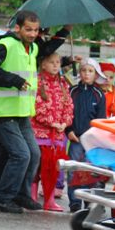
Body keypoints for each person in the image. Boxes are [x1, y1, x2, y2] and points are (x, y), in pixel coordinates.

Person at [0, 10, 44, 214]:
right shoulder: (6, 45)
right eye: (28, 29)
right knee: (21, 155)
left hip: (21, 111)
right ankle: (0, 198)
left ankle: (20, 194)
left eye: (36, 30)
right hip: (1, 112)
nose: (33, 34)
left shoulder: (33, 48)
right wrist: (14, 80)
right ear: (18, 28)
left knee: (34, 154)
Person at [32, 52, 73, 211]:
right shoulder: (37, 82)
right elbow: (37, 106)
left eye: (58, 62)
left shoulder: (63, 84)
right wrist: (51, 122)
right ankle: (32, 196)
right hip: (40, 134)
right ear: (43, 64)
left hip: (57, 136)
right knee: (36, 167)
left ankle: (49, 199)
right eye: (51, 62)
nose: (56, 65)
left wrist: (64, 122)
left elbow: (69, 106)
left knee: (53, 170)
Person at [66, 59, 107, 212]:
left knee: (90, 171)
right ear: (80, 72)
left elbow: (100, 119)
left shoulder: (99, 95)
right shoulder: (72, 91)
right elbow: (66, 113)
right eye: (83, 70)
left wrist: (95, 138)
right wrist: (68, 130)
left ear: (96, 75)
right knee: (74, 170)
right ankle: (75, 202)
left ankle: (89, 202)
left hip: (91, 141)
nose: (86, 74)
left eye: (90, 71)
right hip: (75, 139)